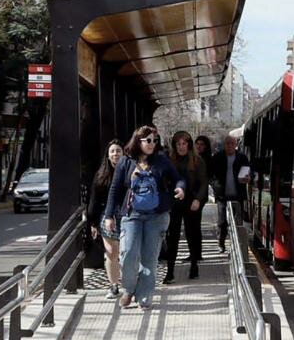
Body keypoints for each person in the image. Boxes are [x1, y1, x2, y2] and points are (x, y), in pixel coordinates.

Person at [103, 125, 186, 310]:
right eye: (148, 140)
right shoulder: (126, 161)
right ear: (138, 141)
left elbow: (178, 178)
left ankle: (145, 295)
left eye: (154, 141)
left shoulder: (161, 160)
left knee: (150, 258)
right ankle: (129, 289)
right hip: (132, 215)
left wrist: (180, 188)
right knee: (129, 254)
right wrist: (109, 215)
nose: (152, 144)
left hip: (156, 216)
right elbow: (115, 189)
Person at [163, 131, 208, 283]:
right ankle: (170, 271)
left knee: (192, 234)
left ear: (189, 145)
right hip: (175, 202)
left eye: (184, 144)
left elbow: (203, 183)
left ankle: (194, 266)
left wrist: (198, 200)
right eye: (178, 144)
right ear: (175, 146)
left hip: (191, 201)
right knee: (172, 236)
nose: (181, 147)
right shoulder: (170, 160)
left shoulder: (197, 160)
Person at [88, 140, 124, 299]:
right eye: (112, 151)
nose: (116, 154)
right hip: (107, 217)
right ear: (108, 155)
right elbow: (94, 200)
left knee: (128, 252)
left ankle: (130, 284)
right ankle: (114, 285)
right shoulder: (101, 175)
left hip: (128, 215)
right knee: (111, 252)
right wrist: (93, 222)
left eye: (118, 151)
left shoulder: (130, 171)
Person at [212, 134, 251, 252]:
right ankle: (221, 243)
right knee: (222, 221)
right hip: (222, 195)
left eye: (232, 144)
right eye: (227, 144)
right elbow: (211, 174)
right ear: (224, 145)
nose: (229, 146)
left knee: (237, 221)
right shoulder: (218, 157)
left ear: (236, 145)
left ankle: (237, 244)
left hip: (238, 194)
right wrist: (215, 185)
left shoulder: (242, 158)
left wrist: (248, 178)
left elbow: (249, 171)